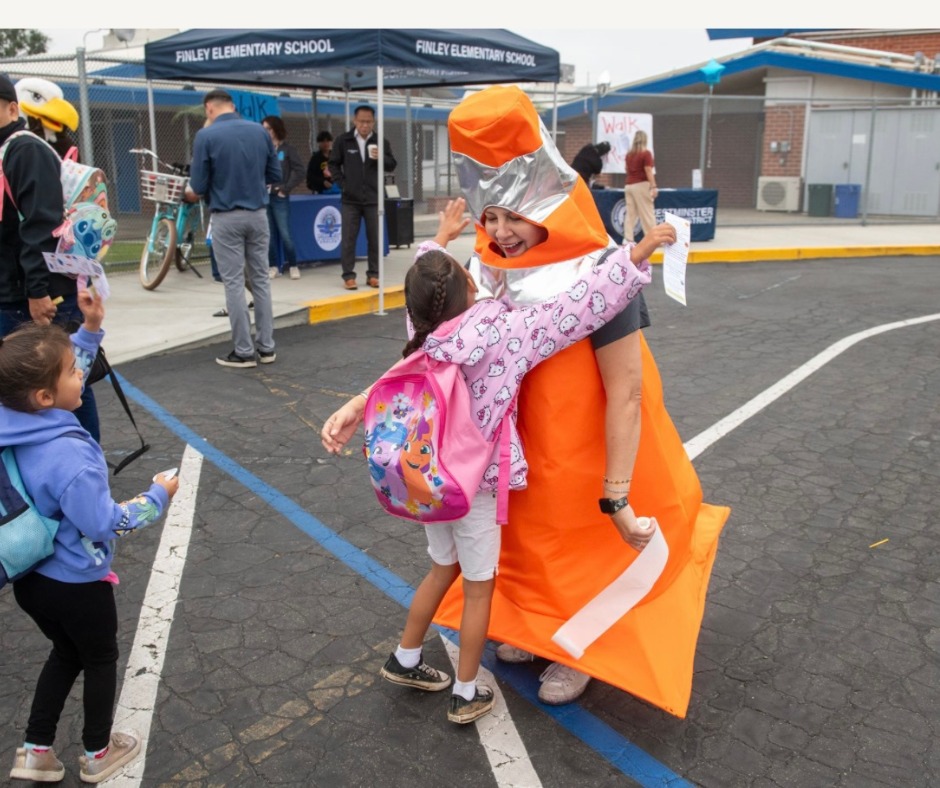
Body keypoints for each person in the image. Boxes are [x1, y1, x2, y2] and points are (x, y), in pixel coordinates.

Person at [432, 85, 729, 718]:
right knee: (536, 540)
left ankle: (579, 646)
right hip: (524, 452)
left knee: (584, 545)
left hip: (590, 452)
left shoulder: (600, 270)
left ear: (546, 201)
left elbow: (626, 391)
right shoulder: (492, 265)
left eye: (517, 214)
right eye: (494, 215)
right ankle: (537, 624)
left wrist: (617, 492)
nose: (504, 231)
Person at [321, 197, 657, 725]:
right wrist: (634, 255)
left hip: (427, 480)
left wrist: (439, 239)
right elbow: (578, 307)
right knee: (479, 590)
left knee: (440, 570)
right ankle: (467, 691)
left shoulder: (421, 330)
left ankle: (406, 658)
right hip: (474, 488)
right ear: (470, 289)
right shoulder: (502, 333)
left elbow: (424, 288)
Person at [1, 289, 179, 784]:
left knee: (65, 654)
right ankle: (98, 753)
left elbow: (54, 374)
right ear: (45, 396)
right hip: (78, 583)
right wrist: (157, 496)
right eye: (74, 372)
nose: (82, 374)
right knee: (100, 660)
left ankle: (36, 750)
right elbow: (105, 522)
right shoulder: (72, 458)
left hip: (31, 580)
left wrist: (90, 330)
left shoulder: (14, 419)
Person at [0, 73, 101, 442]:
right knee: (26, 392)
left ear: (13, 108)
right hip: (14, 293)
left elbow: (38, 226)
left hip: (34, 296)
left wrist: (37, 292)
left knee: (66, 385)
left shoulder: (24, 149)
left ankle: (84, 462)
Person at [188, 88, 281, 369]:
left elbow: (198, 185)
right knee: (261, 281)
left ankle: (243, 350)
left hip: (226, 216)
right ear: (232, 106)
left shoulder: (206, 136)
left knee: (234, 283)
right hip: (258, 214)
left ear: (209, 108)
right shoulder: (259, 131)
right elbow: (275, 174)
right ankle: (267, 347)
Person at [326, 105, 397, 290]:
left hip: (374, 199)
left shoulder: (381, 141)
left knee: (374, 239)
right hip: (350, 200)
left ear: (373, 122)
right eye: (361, 121)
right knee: (349, 239)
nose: (365, 125)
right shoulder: (344, 140)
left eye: (368, 122)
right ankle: (348, 276)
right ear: (354, 121)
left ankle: (373, 275)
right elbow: (333, 164)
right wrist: (342, 184)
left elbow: (392, 165)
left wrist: (381, 156)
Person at [261, 115, 304, 281]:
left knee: (285, 233)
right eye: (264, 129)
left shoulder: (287, 150)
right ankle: (273, 266)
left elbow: (300, 171)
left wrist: (285, 189)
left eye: (269, 129)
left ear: (276, 129)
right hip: (264, 196)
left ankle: (293, 265)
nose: (266, 132)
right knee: (269, 234)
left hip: (279, 195)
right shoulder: (262, 149)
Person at [624, 130, 658, 242]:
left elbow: (626, 170)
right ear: (645, 140)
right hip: (641, 184)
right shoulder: (646, 153)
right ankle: (653, 238)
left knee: (630, 214)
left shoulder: (629, 155)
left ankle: (628, 239)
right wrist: (653, 186)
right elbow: (648, 170)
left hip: (629, 185)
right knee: (647, 212)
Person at [305, 130, 338, 194]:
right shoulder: (315, 158)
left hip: (334, 186)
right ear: (319, 143)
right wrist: (323, 182)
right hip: (320, 188)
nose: (326, 143)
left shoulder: (335, 156)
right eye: (323, 141)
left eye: (328, 141)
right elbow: (310, 176)